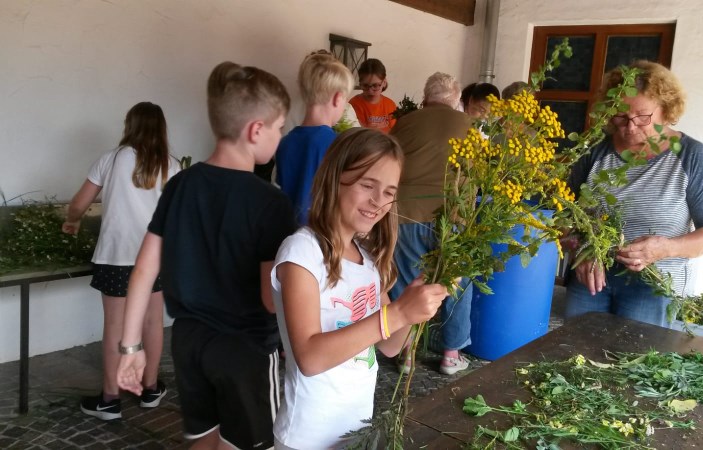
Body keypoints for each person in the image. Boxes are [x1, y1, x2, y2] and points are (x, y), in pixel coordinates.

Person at [116, 62, 297, 449]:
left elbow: (144, 270)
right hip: (245, 350)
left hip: (189, 342)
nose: (280, 136)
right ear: (256, 130)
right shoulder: (271, 203)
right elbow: (271, 298)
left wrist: (131, 348)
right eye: (280, 127)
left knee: (203, 437)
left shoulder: (181, 183)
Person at [271, 128, 448, 449]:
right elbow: (309, 358)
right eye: (367, 185)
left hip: (356, 431)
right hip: (307, 437)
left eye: (388, 191)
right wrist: (395, 314)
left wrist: (416, 305)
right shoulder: (301, 252)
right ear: (334, 178)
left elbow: (392, 345)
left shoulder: (368, 261)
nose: (378, 201)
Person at [565, 60, 703, 328]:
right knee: (573, 356)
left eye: (642, 117)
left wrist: (666, 248)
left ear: (666, 110)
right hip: (592, 279)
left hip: (653, 287)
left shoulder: (691, 156)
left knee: (635, 362)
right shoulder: (593, 151)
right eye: (620, 116)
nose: (629, 127)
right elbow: (564, 215)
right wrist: (579, 251)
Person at [62, 101, 179, 420]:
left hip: (114, 256)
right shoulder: (171, 165)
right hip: (153, 258)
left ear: (130, 125)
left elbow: (79, 202)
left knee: (115, 325)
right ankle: (151, 389)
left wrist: (72, 221)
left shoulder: (111, 159)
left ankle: (110, 399)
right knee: (153, 321)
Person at [389, 72, 475, 375]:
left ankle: (406, 353)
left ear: (425, 99)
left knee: (406, 280)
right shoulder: (470, 126)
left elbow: (388, 161)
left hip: (408, 211)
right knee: (457, 282)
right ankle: (450, 355)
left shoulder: (406, 123)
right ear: (458, 102)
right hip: (453, 216)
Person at [275, 50, 353, 224]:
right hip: (323, 237)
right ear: (338, 98)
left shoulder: (285, 143)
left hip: (290, 236)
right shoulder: (337, 145)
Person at [348, 58, 397, 133]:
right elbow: (353, 134)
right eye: (365, 85)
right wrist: (367, 129)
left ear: (384, 82)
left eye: (375, 85)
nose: (370, 91)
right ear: (360, 83)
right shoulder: (354, 104)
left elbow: (395, 132)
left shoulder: (390, 105)